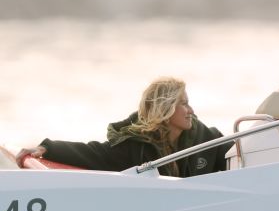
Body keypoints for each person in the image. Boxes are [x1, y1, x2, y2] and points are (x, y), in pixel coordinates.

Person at [15, 77, 231, 176]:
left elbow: (237, 155)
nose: (191, 110)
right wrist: (47, 148)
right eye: (183, 104)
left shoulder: (207, 139)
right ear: (165, 109)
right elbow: (94, 153)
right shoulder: (136, 146)